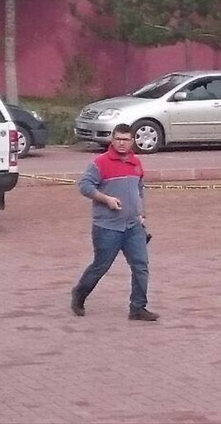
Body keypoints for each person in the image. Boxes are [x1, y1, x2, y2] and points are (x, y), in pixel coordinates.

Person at [70, 123, 159, 321]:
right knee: (101, 266)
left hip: (133, 226)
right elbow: (84, 186)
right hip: (107, 227)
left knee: (141, 265)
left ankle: (138, 307)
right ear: (112, 140)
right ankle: (79, 293)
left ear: (132, 141)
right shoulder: (100, 163)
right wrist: (106, 199)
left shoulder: (136, 163)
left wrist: (141, 213)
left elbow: (139, 189)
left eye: (126, 139)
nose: (121, 143)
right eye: (118, 139)